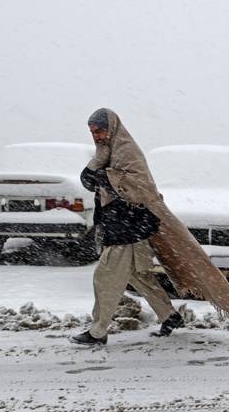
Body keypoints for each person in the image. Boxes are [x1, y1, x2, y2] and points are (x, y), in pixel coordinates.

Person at [70, 108, 184, 346]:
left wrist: (103, 178)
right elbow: (94, 178)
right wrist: (96, 171)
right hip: (124, 226)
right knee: (138, 275)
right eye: (92, 132)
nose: (97, 136)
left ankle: (98, 332)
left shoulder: (126, 151)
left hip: (128, 227)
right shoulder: (108, 151)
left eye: (100, 130)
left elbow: (137, 187)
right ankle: (169, 316)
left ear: (111, 127)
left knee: (104, 278)